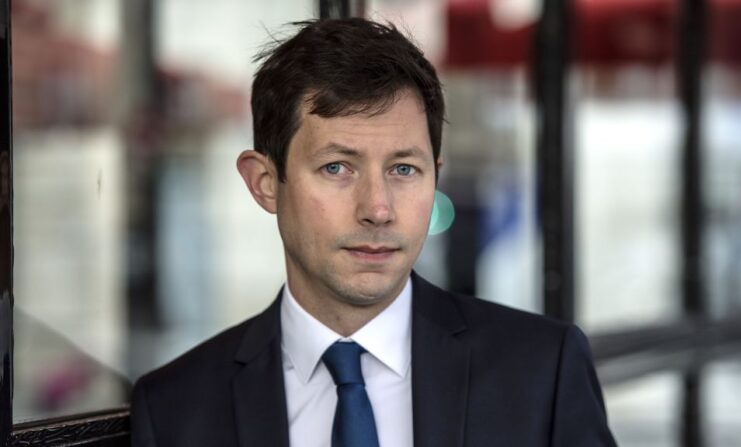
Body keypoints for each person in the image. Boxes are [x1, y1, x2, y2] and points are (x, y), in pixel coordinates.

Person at [131, 18, 617, 447]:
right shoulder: (177, 409)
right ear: (264, 184)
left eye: (404, 170)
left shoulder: (541, 373)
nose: (378, 209)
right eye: (338, 167)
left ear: (435, 176)